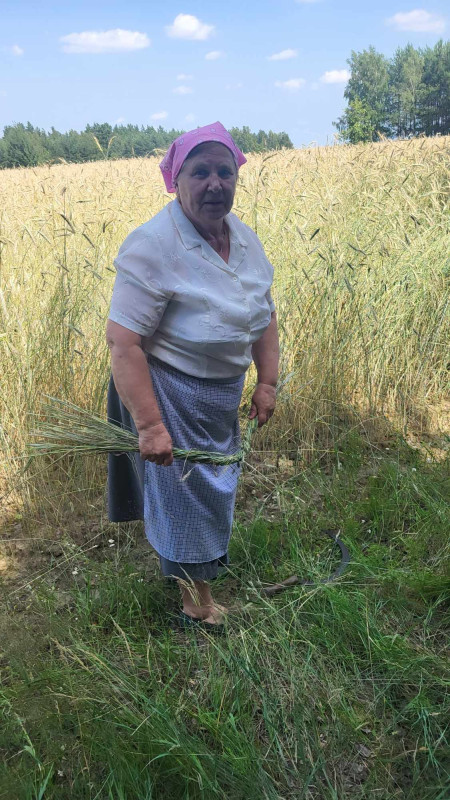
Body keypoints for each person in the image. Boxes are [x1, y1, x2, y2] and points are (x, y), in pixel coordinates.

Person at [106, 122, 279, 632]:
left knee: (206, 491)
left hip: (218, 394)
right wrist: (150, 425)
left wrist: (266, 381)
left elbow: (265, 314)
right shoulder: (153, 245)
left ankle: (191, 572)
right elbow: (123, 343)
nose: (214, 184)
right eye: (200, 172)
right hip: (166, 392)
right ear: (175, 180)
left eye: (225, 171)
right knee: (184, 497)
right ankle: (196, 608)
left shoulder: (242, 238)